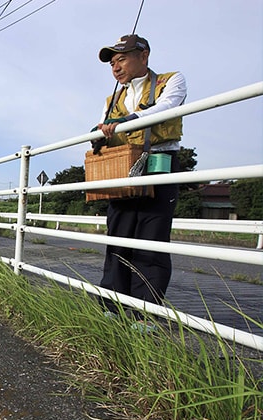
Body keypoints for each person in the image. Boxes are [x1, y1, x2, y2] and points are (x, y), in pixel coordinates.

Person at [94, 34, 187, 317]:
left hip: (159, 161)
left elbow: (168, 106)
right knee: (119, 235)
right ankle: (113, 306)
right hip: (123, 167)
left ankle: (144, 313)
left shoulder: (170, 80)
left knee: (151, 237)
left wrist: (126, 120)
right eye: (112, 63)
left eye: (121, 59)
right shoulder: (112, 98)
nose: (115, 67)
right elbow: (104, 128)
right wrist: (98, 136)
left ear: (143, 56)